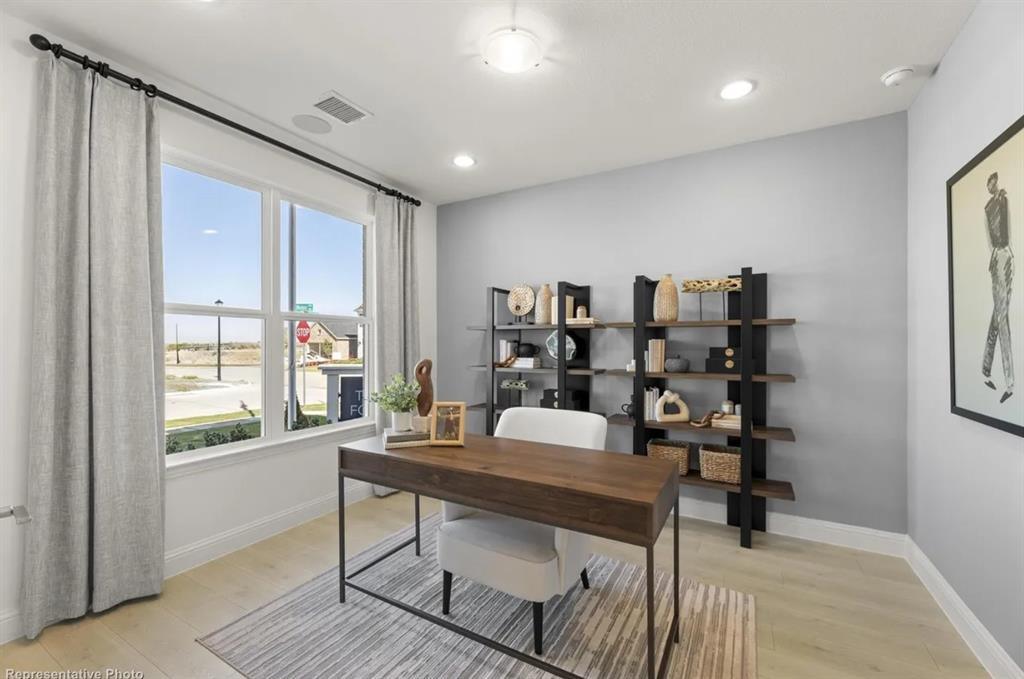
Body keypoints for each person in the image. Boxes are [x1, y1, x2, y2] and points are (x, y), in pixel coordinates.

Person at [982, 171, 1014, 403]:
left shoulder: (1004, 199)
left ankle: (987, 369)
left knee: (999, 315)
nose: (990, 185)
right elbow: (989, 238)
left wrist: (1008, 254)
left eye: (992, 181)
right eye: (988, 182)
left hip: (1006, 256)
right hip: (997, 258)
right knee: (1001, 318)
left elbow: (1008, 230)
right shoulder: (987, 208)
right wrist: (995, 256)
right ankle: (1007, 381)